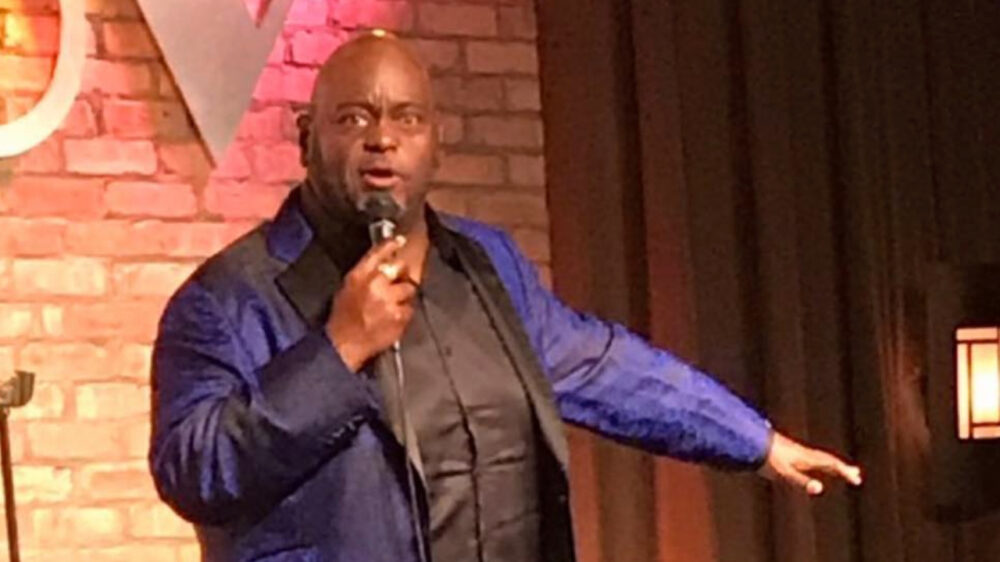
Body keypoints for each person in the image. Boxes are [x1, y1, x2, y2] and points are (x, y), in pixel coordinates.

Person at [149, 32, 862, 562]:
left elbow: (603, 365)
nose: (383, 139)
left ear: (437, 144)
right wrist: (337, 353)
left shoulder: (487, 265)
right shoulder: (226, 299)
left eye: (407, 118)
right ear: (307, 138)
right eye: (355, 118)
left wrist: (753, 441)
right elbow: (192, 470)